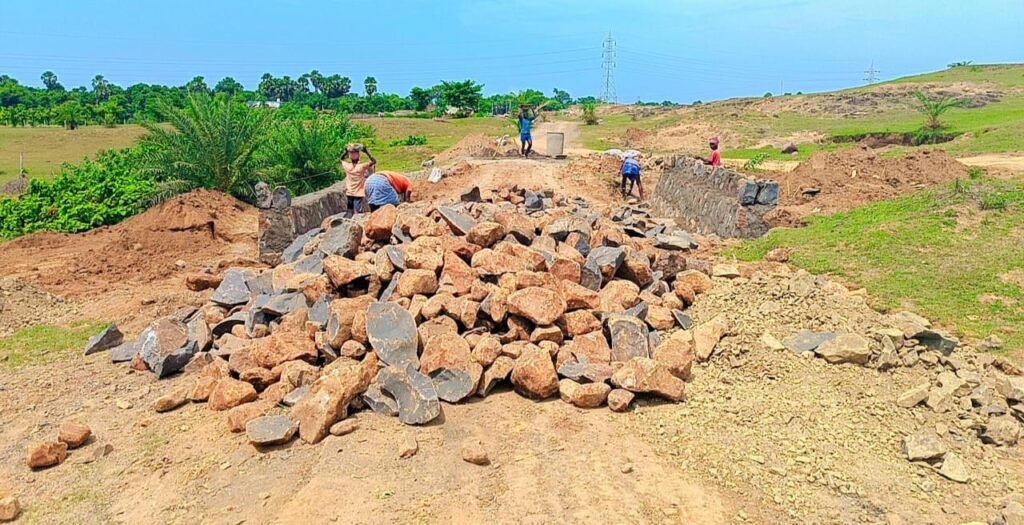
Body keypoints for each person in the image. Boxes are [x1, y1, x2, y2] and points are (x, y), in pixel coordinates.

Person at [340, 143, 376, 214]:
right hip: (358, 193)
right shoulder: (362, 166)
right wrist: (366, 152)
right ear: (358, 156)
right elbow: (374, 161)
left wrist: (346, 151)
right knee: (358, 212)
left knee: (349, 212)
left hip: (349, 192)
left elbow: (340, 159)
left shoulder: (347, 166)